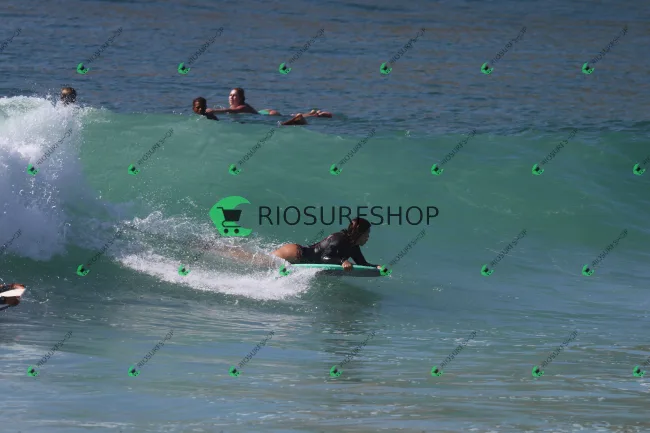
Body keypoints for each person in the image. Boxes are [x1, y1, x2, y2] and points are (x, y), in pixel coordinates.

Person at [271, 218, 382, 271]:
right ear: (359, 234)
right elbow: (324, 258)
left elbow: (362, 264)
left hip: (298, 258)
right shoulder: (338, 238)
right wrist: (342, 261)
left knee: (269, 267)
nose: (368, 237)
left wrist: (377, 267)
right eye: (366, 234)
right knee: (265, 262)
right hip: (296, 253)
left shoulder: (353, 247)